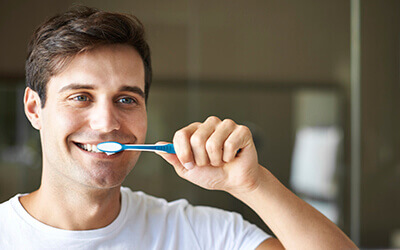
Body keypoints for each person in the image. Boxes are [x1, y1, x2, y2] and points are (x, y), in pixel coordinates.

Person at [0, 6, 357, 249]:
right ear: (34, 108)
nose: (107, 122)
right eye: (80, 97)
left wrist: (253, 185)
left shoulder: (199, 234)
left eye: (127, 100)